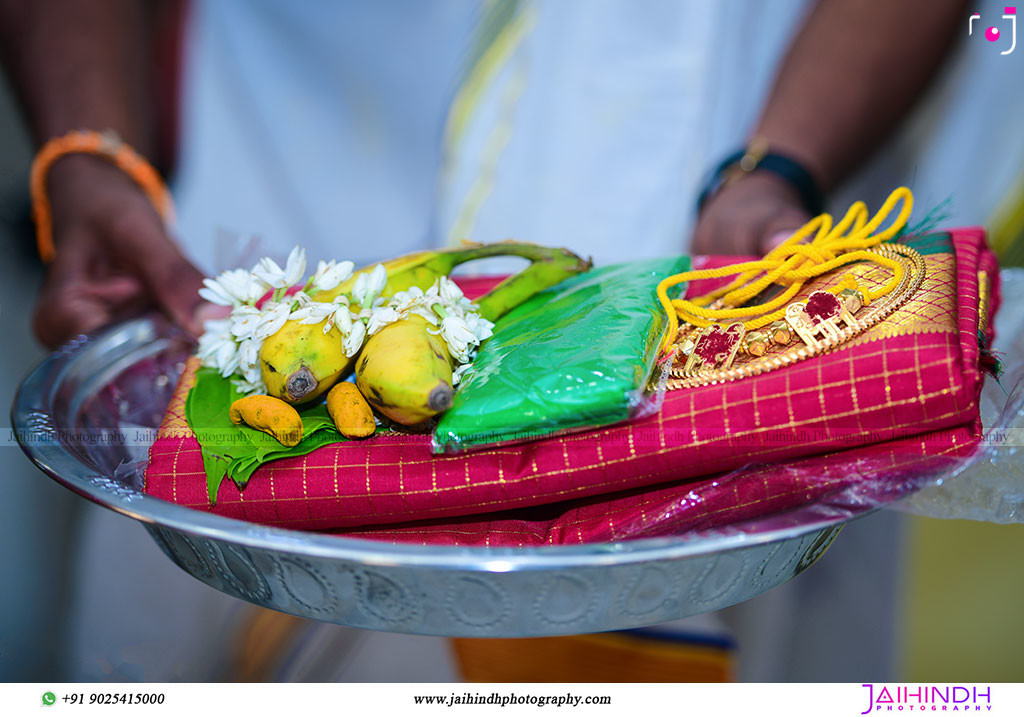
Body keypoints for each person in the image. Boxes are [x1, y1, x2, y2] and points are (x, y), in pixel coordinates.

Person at [0, 0, 999, 681]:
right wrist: (87, 151)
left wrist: (779, 166)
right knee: (204, 559)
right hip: (262, 232)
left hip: (712, 246)